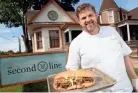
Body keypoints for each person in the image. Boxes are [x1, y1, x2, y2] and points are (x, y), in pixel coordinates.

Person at [66, 3, 138, 92]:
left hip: (125, 88)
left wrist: (135, 80)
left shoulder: (112, 31)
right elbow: (72, 70)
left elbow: (125, 55)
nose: (88, 20)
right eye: (83, 18)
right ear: (79, 22)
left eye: (90, 15)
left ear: (96, 15)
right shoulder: (76, 43)